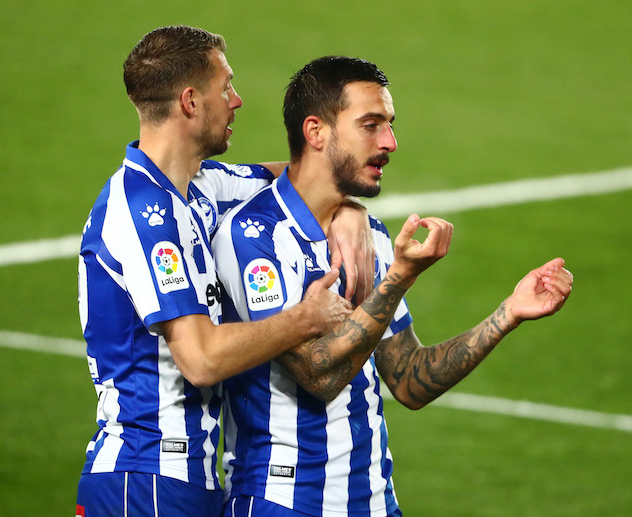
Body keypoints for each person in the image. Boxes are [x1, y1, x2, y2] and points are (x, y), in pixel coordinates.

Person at [212, 56, 574, 517]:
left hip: (374, 502)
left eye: (390, 125)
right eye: (371, 125)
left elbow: (408, 379)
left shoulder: (372, 237)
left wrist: (508, 313)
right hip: (282, 501)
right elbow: (317, 375)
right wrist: (400, 277)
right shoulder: (253, 235)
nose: (390, 142)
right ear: (316, 132)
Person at [76, 27, 375, 517]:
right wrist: (306, 318)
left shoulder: (202, 186)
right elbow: (200, 360)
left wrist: (349, 210)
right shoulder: (142, 212)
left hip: (184, 477)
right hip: (144, 475)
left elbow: (312, 175)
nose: (236, 101)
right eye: (226, 87)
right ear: (191, 102)